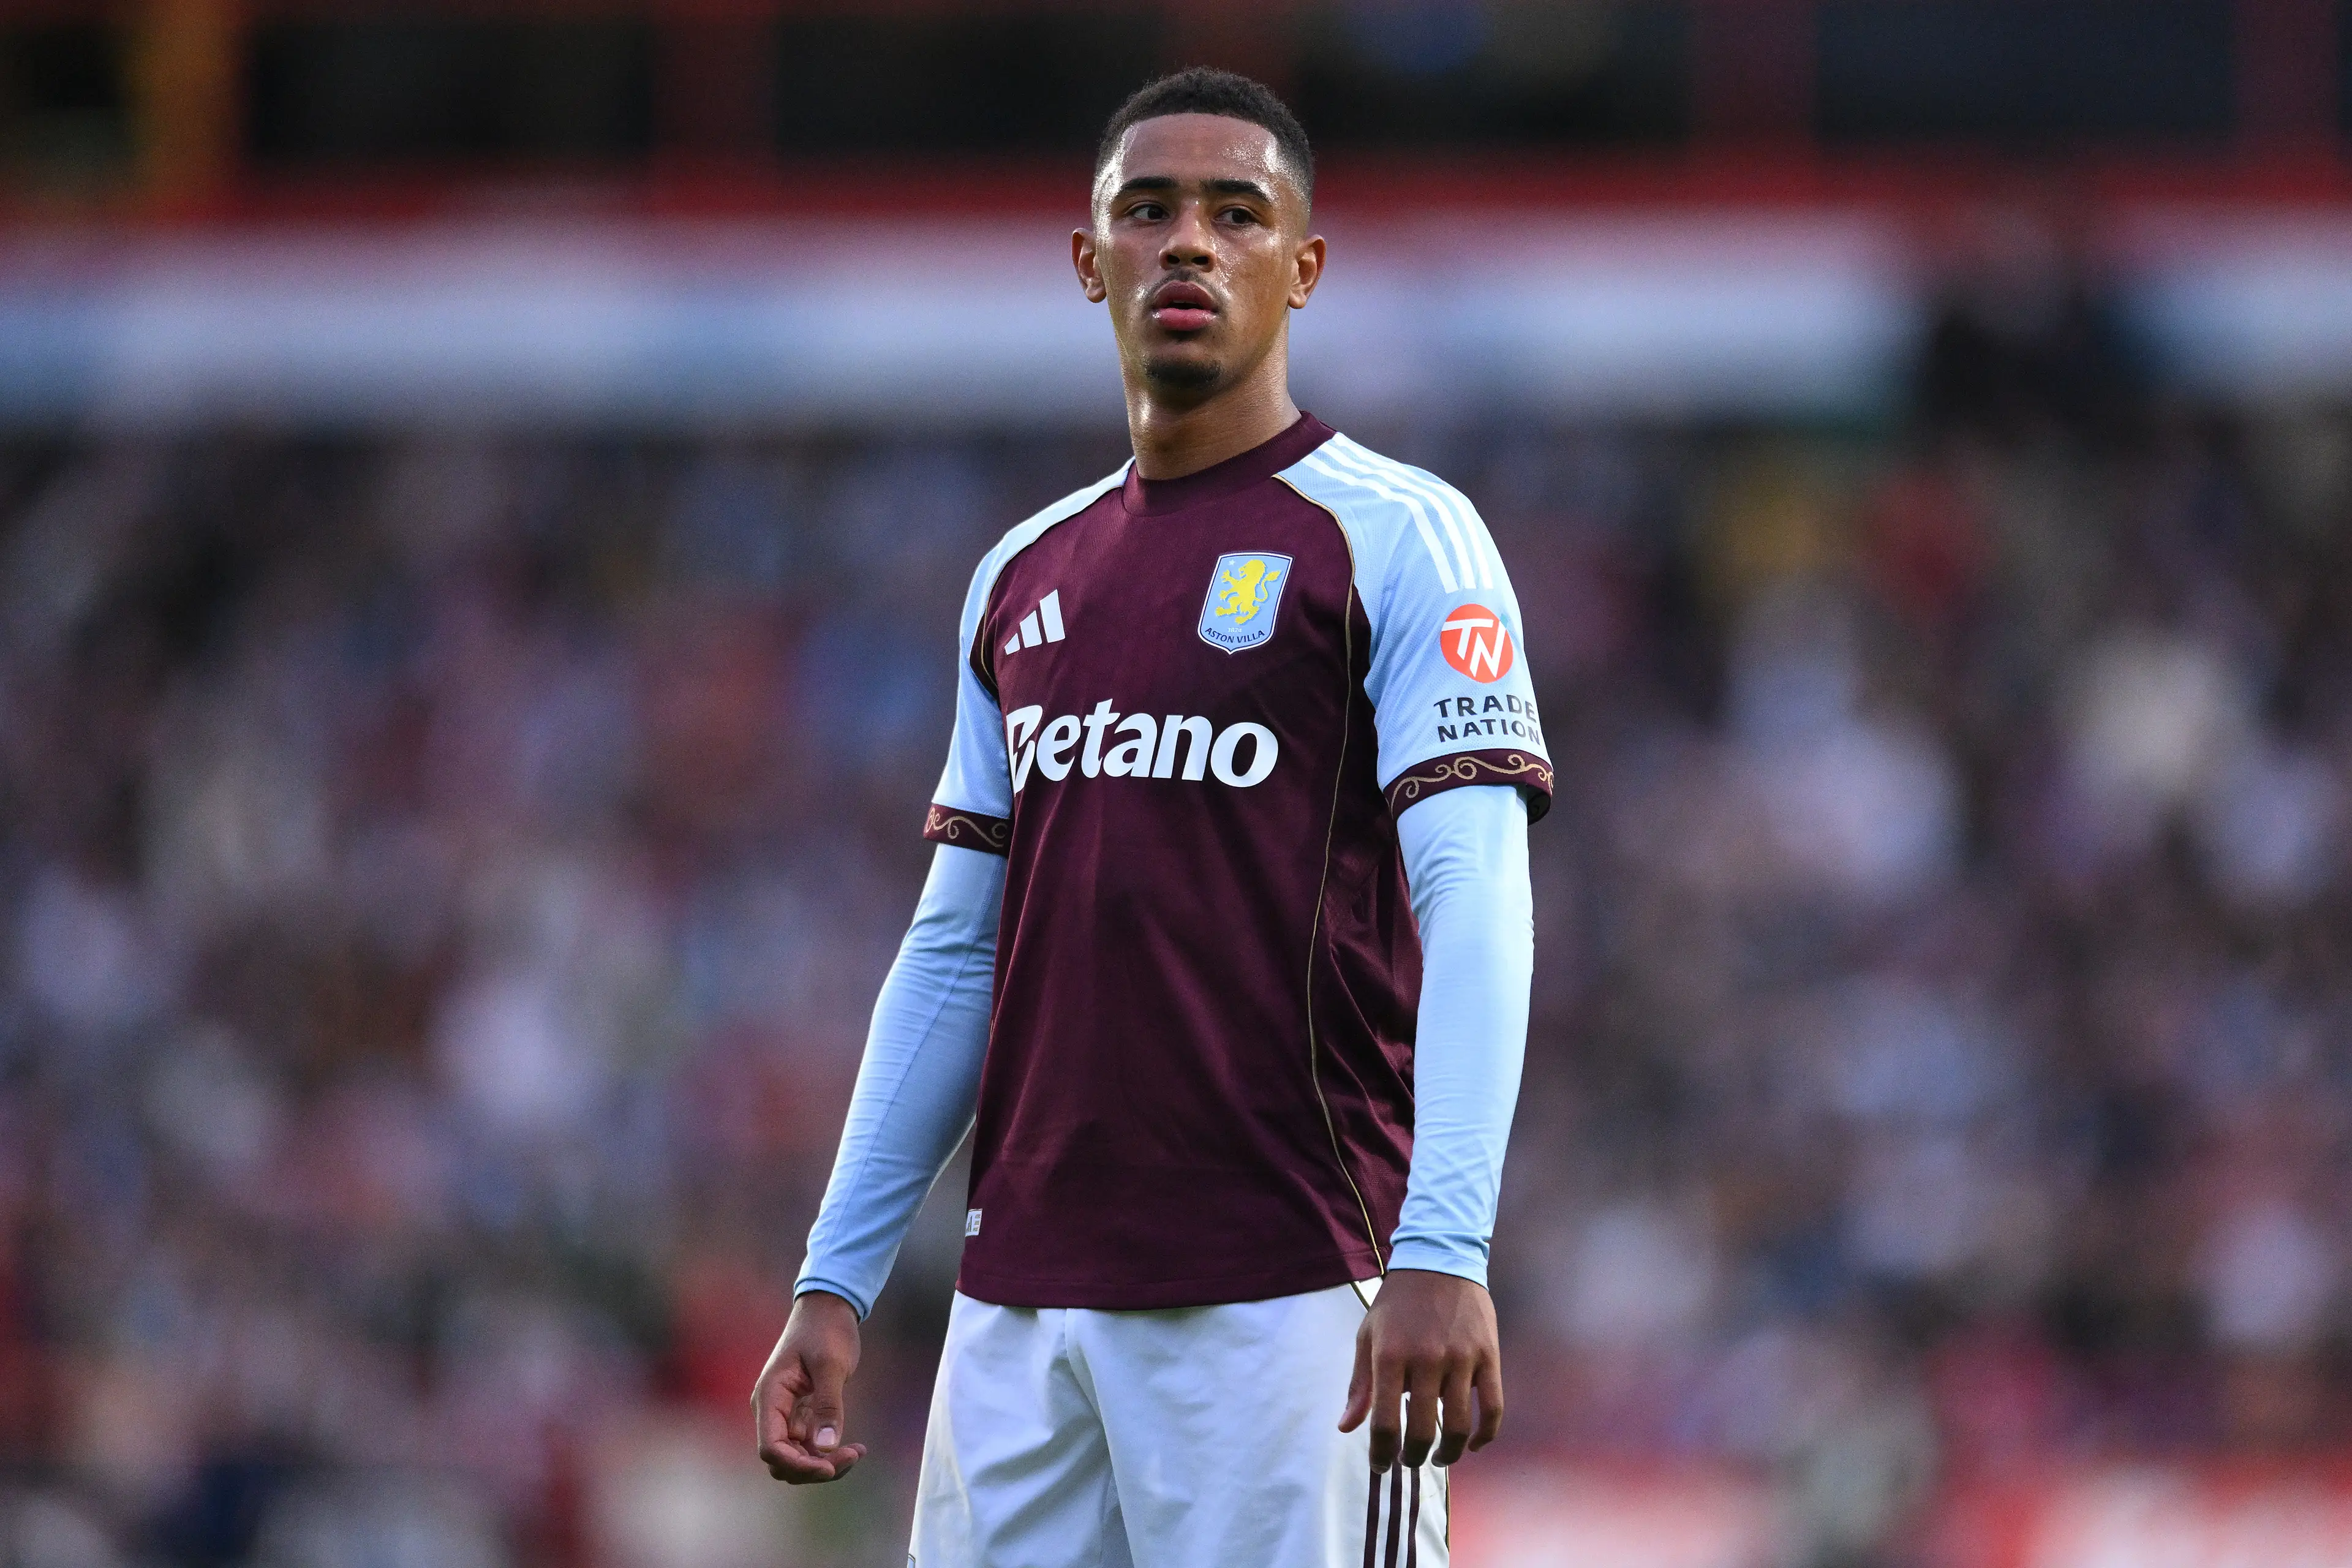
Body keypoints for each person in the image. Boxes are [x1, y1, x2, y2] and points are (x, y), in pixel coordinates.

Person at [752, 67, 1547, 1568]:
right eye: (1150, 210)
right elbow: (952, 953)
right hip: (1021, 1307)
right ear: (1088, 257)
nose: (1190, 243)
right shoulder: (1021, 577)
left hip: (1290, 1297)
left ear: (1302, 268)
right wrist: (836, 1277)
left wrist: (1444, 1244)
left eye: (1236, 214)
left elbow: (1479, 901)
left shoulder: (1397, 536)